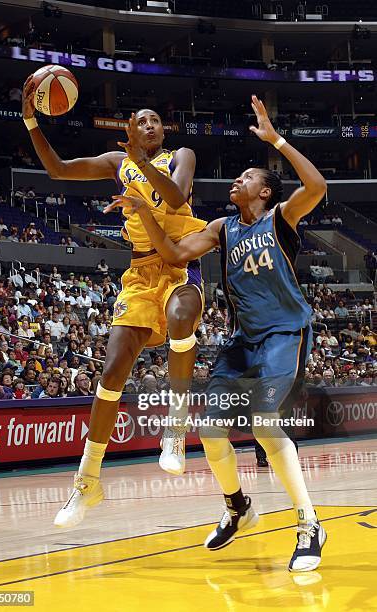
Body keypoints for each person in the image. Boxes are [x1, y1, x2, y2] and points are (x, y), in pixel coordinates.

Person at [115, 96, 327, 572]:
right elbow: (171, 254)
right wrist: (141, 210)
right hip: (240, 341)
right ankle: (238, 507)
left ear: (266, 192)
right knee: (209, 430)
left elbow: (316, 185)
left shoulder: (281, 219)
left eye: (249, 177)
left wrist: (277, 141)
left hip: (283, 334)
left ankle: (309, 523)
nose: (238, 180)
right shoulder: (221, 228)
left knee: (264, 424)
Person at [22, 78, 207, 526]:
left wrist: (142, 163)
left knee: (182, 321)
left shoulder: (179, 157)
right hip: (140, 272)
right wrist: (30, 120)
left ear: (163, 131)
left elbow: (177, 196)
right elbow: (59, 170)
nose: (148, 125)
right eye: (140, 121)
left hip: (181, 262)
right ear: (129, 128)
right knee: (111, 372)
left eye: (155, 121)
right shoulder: (116, 162)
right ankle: (87, 482)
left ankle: (176, 427)